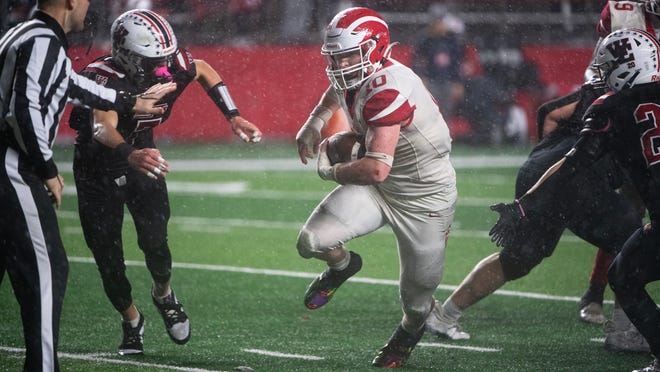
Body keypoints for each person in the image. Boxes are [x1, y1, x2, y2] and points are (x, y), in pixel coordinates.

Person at [68, 9, 262, 356]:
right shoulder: (103, 76)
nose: (163, 69)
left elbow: (202, 68)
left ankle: (163, 294)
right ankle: (131, 320)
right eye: (153, 61)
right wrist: (130, 153)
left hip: (143, 154)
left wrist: (232, 114)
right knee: (107, 257)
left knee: (156, 242)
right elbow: (101, 126)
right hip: (98, 168)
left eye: (166, 59)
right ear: (126, 55)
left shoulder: (171, 62)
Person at [0, 0, 176, 370]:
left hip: (11, 166)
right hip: (12, 168)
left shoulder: (25, 34)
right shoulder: (43, 40)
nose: (88, 7)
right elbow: (24, 108)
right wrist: (46, 167)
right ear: (70, 1)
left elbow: (73, 86)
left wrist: (130, 102)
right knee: (48, 271)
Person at [423, 75, 648, 352]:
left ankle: (445, 315)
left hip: (541, 167)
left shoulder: (596, 93)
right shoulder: (641, 102)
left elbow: (550, 112)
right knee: (632, 239)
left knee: (518, 257)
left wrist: (545, 151)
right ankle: (624, 330)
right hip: (575, 177)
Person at [295, 7, 457, 368]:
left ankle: (408, 333)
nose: (339, 65)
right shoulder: (357, 73)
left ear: (375, 49)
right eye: (334, 57)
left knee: (416, 302)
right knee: (311, 242)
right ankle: (342, 266)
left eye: (348, 55)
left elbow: (375, 169)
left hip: (422, 197)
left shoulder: (389, 89)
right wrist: (313, 123)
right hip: (379, 187)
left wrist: (329, 170)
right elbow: (338, 88)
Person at [412, 10, 465, 124]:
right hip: (431, 79)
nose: (440, 26)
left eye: (442, 23)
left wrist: (458, 82)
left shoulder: (452, 42)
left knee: (446, 110)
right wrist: (422, 76)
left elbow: (457, 64)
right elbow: (419, 61)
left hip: (447, 80)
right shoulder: (425, 41)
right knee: (429, 109)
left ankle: (445, 135)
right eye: (438, 23)